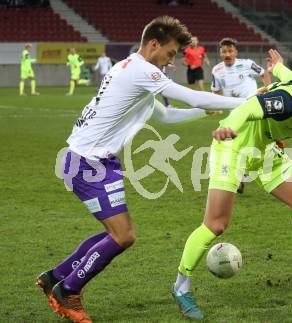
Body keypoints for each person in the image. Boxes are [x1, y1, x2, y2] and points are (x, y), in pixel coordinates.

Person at [36, 16, 245, 323]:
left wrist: (205, 112)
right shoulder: (141, 70)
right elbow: (189, 95)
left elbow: (166, 116)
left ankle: (55, 276)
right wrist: (247, 101)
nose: (172, 61)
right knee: (124, 235)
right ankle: (68, 290)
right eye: (171, 53)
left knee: (115, 232)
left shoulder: (133, 69)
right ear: (154, 45)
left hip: (97, 161)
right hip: (87, 163)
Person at [171, 49, 292, 320]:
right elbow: (247, 107)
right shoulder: (289, 104)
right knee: (216, 224)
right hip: (232, 146)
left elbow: (287, 74)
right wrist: (229, 127)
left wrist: (278, 66)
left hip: (263, 149)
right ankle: (180, 288)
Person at [211, 37, 271, 193]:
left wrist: (268, 90)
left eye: (230, 51)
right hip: (234, 114)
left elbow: (264, 74)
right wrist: (216, 103)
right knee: (234, 144)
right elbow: (215, 90)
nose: (227, 54)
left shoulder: (247, 64)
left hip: (252, 109)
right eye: (224, 51)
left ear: (235, 52)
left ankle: (248, 174)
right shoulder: (216, 71)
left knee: (249, 144)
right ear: (220, 53)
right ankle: (241, 175)